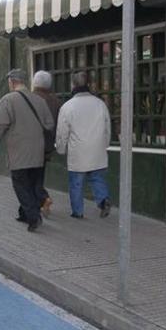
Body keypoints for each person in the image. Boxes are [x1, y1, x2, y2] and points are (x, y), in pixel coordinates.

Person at [0, 69, 55, 232]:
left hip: (18, 152)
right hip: (37, 152)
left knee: (21, 186)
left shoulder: (8, 100)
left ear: (12, 81)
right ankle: (24, 214)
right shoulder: (39, 100)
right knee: (32, 184)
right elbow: (49, 124)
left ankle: (33, 217)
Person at [55, 71, 112, 219]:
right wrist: (105, 145)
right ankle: (103, 200)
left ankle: (77, 212)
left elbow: (62, 132)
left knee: (76, 183)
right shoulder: (100, 104)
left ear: (73, 85)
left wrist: (61, 149)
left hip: (78, 152)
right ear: (88, 85)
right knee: (97, 178)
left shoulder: (67, 106)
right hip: (97, 150)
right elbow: (107, 129)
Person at [32, 70, 61, 216]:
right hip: (48, 145)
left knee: (29, 177)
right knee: (39, 174)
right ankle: (42, 202)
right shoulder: (55, 100)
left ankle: (43, 198)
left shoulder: (31, 98)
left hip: (31, 144)